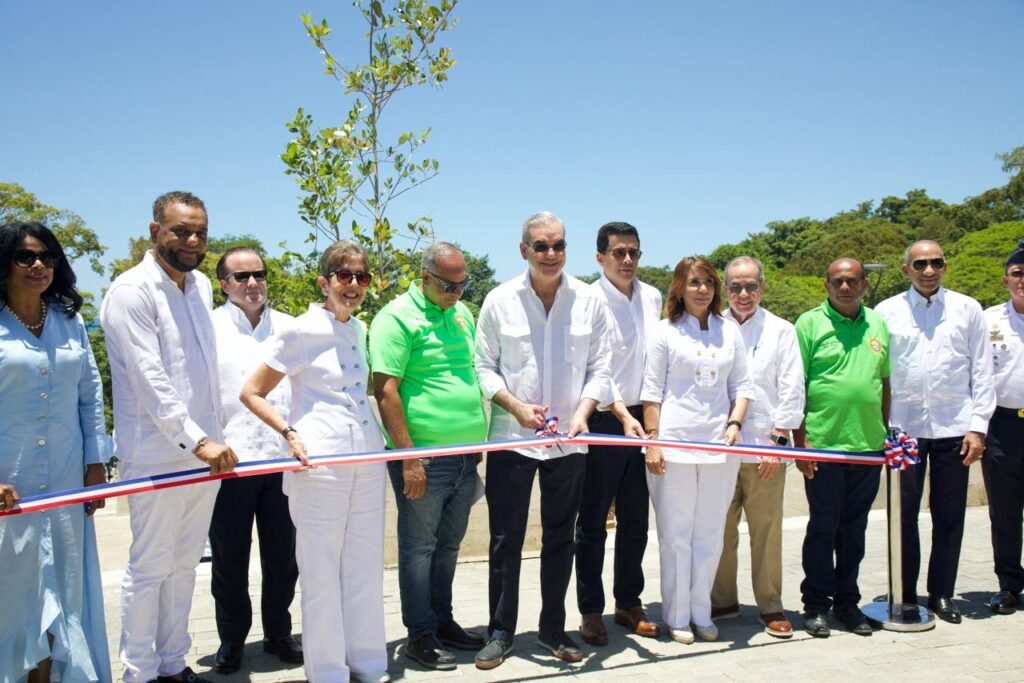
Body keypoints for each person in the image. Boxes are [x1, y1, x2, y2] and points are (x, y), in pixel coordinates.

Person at [102, 191, 238, 683]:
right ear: (155, 230)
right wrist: (197, 441)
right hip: (159, 454)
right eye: (181, 230)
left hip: (206, 456)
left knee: (184, 565)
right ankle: (138, 672)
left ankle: (172, 663)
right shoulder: (130, 290)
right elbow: (149, 379)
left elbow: (209, 373)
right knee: (150, 567)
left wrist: (213, 440)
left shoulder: (201, 285)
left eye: (200, 231)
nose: (193, 240)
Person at [240, 240, 389, 683]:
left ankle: (367, 663)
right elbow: (251, 392)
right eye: (345, 276)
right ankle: (327, 673)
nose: (354, 285)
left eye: (362, 277)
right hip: (319, 465)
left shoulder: (358, 329)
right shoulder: (301, 329)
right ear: (324, 282)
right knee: (321, 571)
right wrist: (288, 432)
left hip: (366, 457)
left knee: (363, 566)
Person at [473, 211, 611, 669]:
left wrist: (584, 412)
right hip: (512, 439)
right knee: (504, 539)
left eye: (558, 245)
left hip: (569, 442)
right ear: (523, 250)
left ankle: (553, 628)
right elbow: (483, 367)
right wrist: (514, 407)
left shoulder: (589, 300)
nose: (550, 254)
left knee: (561, 538)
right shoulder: (498, 300)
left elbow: (601, 369)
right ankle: (499, 632)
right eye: (541, 246)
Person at [369, 242, 488, 672]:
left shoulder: (462, 313)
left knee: (449, 547)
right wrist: (409, 458)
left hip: (464, 456)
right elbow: (386, 392)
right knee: (419, 549)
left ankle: (442, 622)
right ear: (424, 278)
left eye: (463, 284)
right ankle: (419, 636)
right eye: (449, 285)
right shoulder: (395, 318)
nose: (458, 293)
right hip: (423, 460)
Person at [0, 222, 110, 683]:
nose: (39, 265)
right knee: (15, 593)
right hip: (11, 482)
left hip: (65, 479)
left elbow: (90, 394)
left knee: (63, 591)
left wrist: (95, 463)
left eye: (47, 256)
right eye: (25, 257)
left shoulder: (68, 321)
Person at [875, 240, 994, 624]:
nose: (930, 270)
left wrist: (978, 428)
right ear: (905, 268)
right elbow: (877, 375)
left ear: (945, 266)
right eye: (921, 263)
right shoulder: (886, 311)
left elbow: (983, 371)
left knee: (949, 516)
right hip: (903, 430)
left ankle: (942, 593)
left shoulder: (968, 309)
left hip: (953, 427)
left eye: (937, 262)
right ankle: (906, 593)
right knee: (903, 514)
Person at [641, 256, 753, 645]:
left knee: (710, 534)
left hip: (720, 447)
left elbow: (742, 386)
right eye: (693, 282)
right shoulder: (664, 332)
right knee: (676, 535)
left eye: (708, 282)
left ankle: (701, 612)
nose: (702, 289)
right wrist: (653, 442)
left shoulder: (729, 330)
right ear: (679, 287)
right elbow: (651, 392)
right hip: (674, 446)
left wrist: (735, 423)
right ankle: (676, 616)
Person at [209, 247, 301, 673]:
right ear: (223, 283)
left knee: (283, 558)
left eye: (258, 275)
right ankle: (232, 640)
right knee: (230, 559)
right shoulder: (206, 329)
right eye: (241, 276)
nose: (252, 283)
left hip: (283, 461)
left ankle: (279, 634)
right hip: (230, 463)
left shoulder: (290, 327)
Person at [574, 221, 661, 646]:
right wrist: (623, 415)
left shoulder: (653, 296)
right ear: (600, 258)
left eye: (634, 253)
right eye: (619, 253)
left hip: (645, 419)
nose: (628, 260)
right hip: (605, 419)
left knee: (636, 519)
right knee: (592, 521)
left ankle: (629, 601)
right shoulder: (587, 299)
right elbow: (596, 367)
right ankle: (591, 610)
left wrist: (650, 420)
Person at [794, 257, 890, 639]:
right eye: (838, 281)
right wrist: (801, 443)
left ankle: (848, 604)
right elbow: (796, 386)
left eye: (852, 281)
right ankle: (816, 604)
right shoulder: (809, 323)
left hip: (867, 447)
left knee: (855, 530)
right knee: (822, 527)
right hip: (824, 447)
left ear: (864, 283)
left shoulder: (878, 323)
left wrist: (884, 434)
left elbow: (884, 384)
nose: (845, 287)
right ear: (826, 284)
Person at [711, 256, 804, 638]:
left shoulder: (782, 330)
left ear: (762, 287)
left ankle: (770, 604)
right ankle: (721, 601)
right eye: (735, 287)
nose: (743, 294)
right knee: (718, 529)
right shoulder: (711, 328)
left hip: (765, 447)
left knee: (766, 531)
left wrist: (778, 443)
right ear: (725, 288)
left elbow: (792, 388)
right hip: (720, 448)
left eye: (750, 286)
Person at [981, 240, 1024, 616]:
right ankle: (1009, 585)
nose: (1023, 279)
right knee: (1005, 512)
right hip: (1003, 426)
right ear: (1006, 280)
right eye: (1017, 273)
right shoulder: (989, 320)